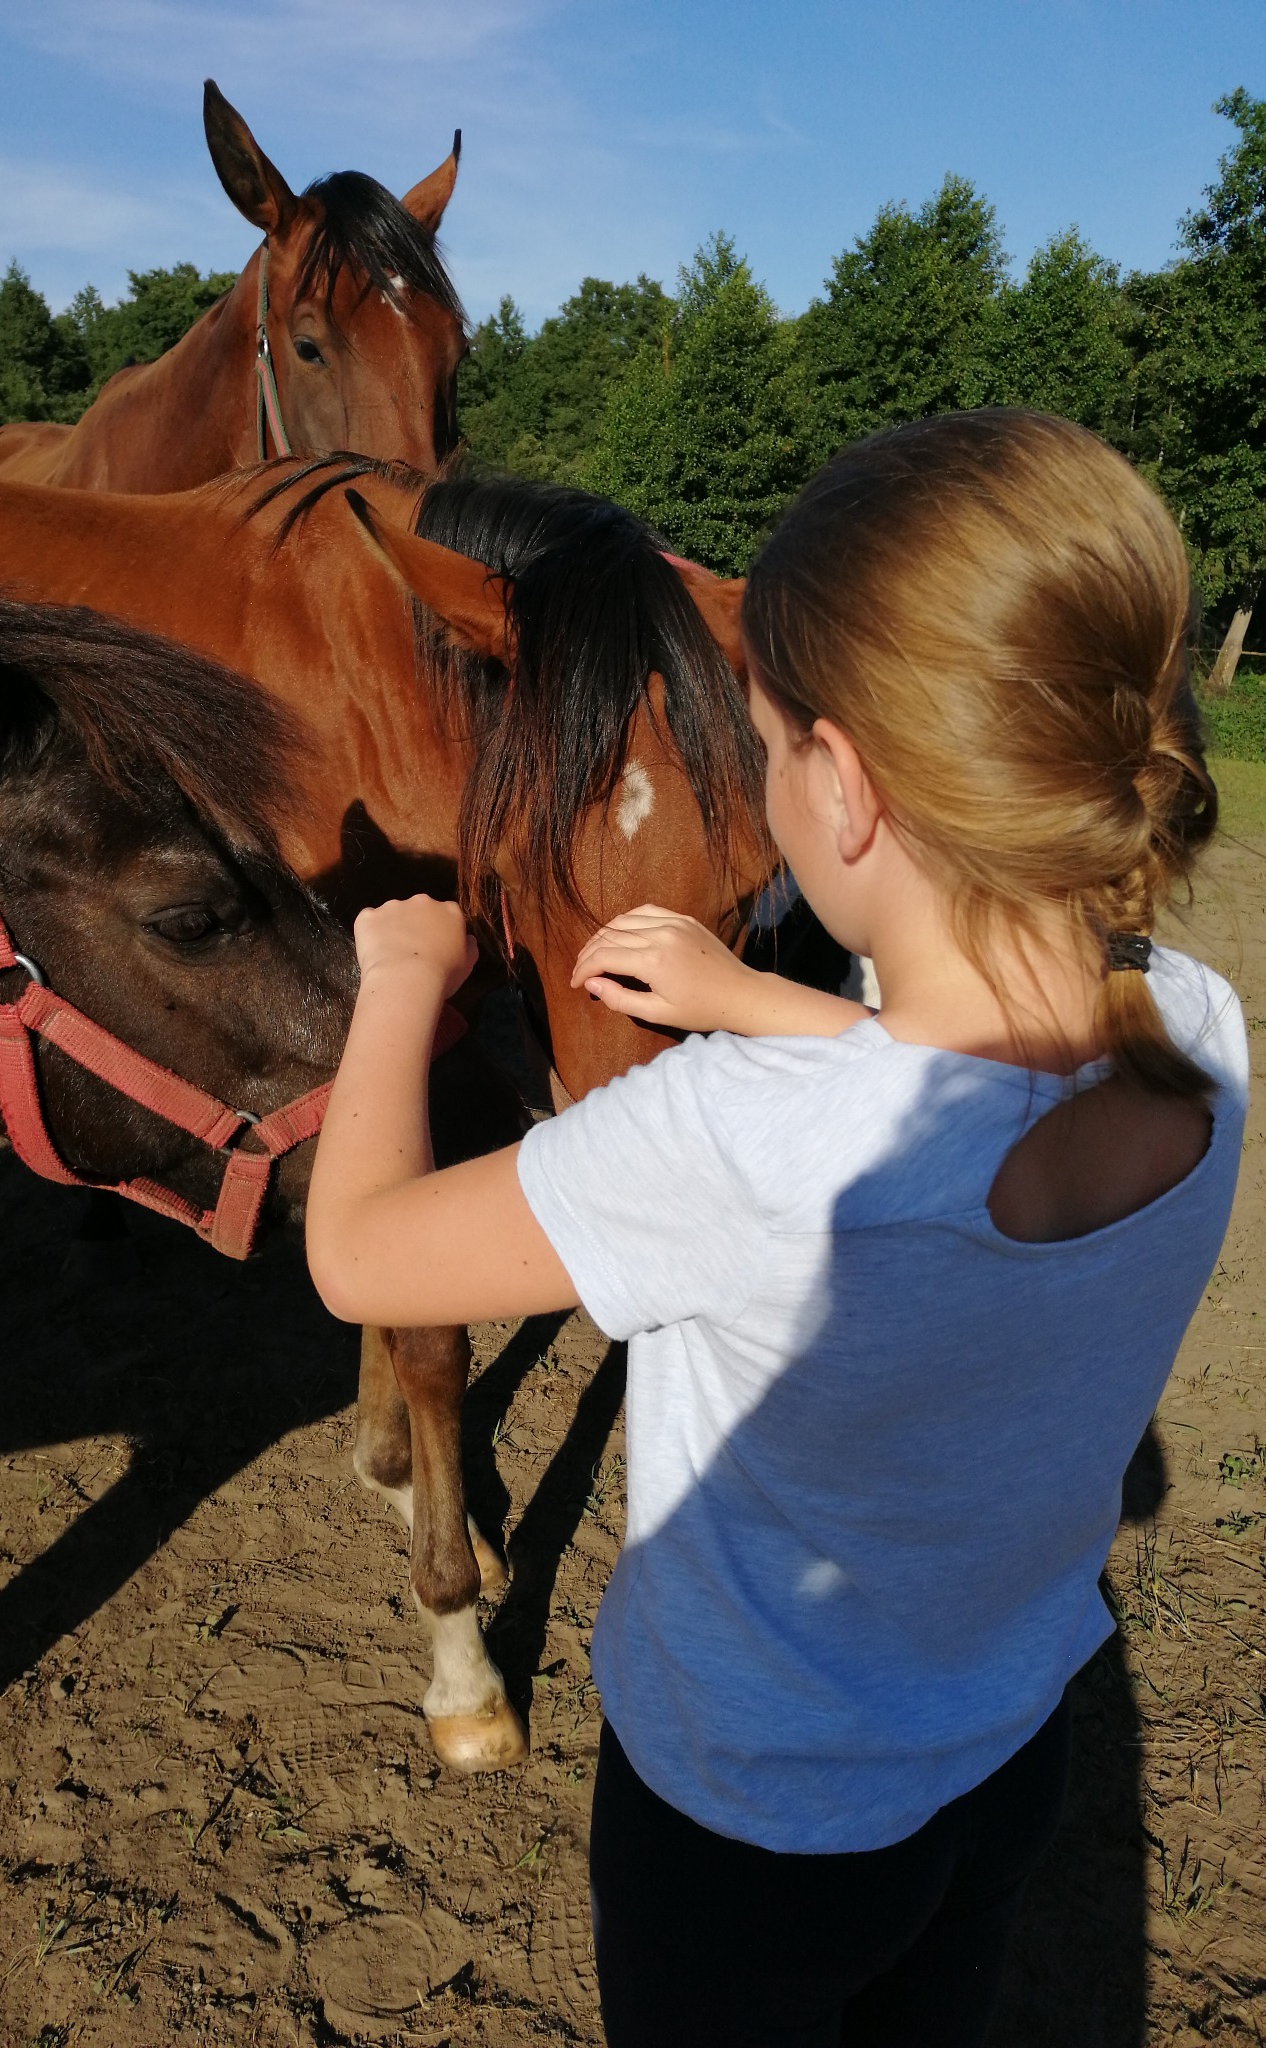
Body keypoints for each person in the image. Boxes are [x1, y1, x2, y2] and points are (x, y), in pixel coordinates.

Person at [304, 409, 1247, 2046]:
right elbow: (953, 1092)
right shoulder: (1195, 1026)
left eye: (757, 742)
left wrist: (395, 987)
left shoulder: (735, 1145)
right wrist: (753, 996)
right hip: (1009, 1753)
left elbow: (361, 1253)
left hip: (749, 1832)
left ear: (850, 790)